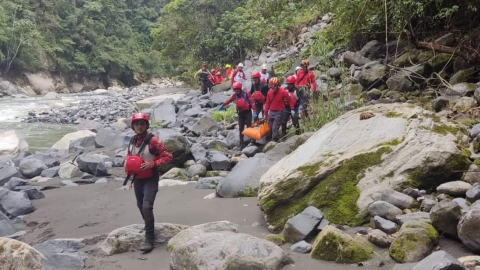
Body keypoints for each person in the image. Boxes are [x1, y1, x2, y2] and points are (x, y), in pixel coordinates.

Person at [126, 113, 173, 252]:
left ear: (146, 126)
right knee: (140, 206)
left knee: (147, 206)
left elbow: (168, 156)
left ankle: (149, 238)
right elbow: (130, 157)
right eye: (136, 124)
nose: (139, 126)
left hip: (150, 178)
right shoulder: (132, 140)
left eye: (142, 124)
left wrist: (153, 163)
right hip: (137, 178)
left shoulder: (153, 141)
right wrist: (128, 170)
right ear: (133, 126)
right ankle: (149, 226)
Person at [218, 82, 254, 148]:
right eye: (235, 90)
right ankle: (241, 143)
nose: (236, 91)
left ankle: (252, 140)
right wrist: (223, 104)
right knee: (241, 128)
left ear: (240, 89)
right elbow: (229, 100)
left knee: (249, 126)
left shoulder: (246, 93)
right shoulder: (234, 95)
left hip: (248, 112)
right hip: (241, 113)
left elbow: (252, 101)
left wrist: (254, 111)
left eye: (237, 90)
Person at [264, 77, 295, 142]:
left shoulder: (283, 92)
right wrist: (265, 113)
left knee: (275, 128)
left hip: (279, 112)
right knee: (270, 127)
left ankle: (274, 141)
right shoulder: (269, 92)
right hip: (271, 112)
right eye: (271, 86)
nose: (272, 88)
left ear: (277, 85)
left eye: (273, 86)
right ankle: (271, 140)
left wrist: (292, 109)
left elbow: (290, 100)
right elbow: (267, 103)